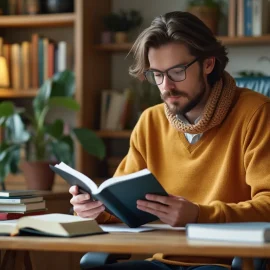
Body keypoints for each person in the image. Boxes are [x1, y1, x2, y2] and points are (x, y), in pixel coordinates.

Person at [69, 11, 270, 270]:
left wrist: (199, 215)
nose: (166, 87)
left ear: (208, 64)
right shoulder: (150, 122)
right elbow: (123, 205)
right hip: (163, 261)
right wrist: (96, 210)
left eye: (177, 72)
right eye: (157, 74)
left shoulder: (256, 114)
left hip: (227, 264)